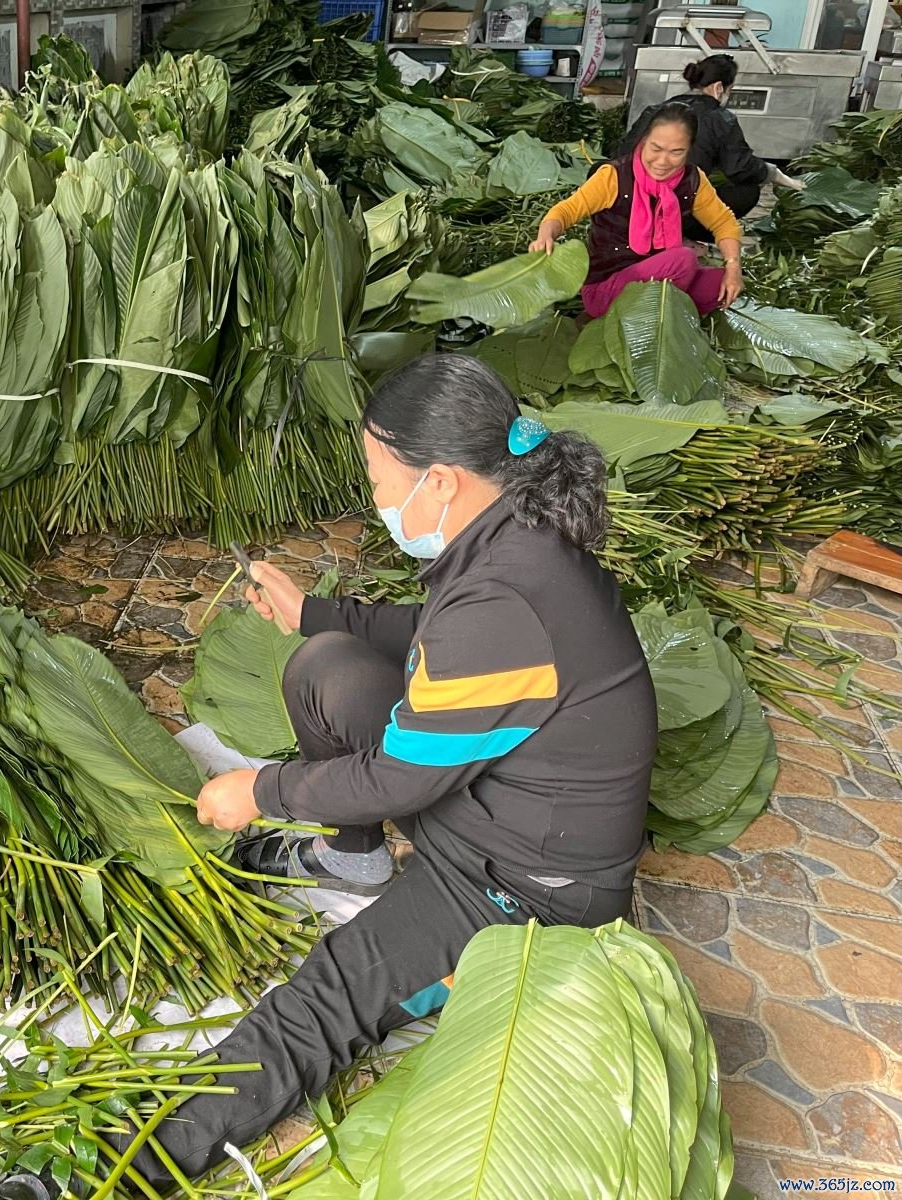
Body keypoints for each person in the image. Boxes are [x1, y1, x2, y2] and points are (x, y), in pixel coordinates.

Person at [113, 354, 659, 1191]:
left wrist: (260, 790)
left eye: (378, 478)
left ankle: (130, 1161)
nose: (376, 498)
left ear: (439, 481)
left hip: (532, 883)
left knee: (330, 990)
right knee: (326, 664)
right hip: (496, 804)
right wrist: (315, 614)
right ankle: (354, 860)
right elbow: (437, 629)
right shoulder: (514, 529)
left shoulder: (508, 599)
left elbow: (400, 778)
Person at [529, 102, 744, 319]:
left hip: (660, 275)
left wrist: (734, 268)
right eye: (656, 148)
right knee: (684, 260)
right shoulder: (613, 177)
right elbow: (565, 211)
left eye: (676, 152)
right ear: (643, 140)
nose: (662, 161)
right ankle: (647, 320)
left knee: (721, 284)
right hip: (607, 287)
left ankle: (660, 312)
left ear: (689, 149)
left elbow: (723, 222)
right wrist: (545, 236)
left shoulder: (693, 180)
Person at [620, 53, 805, 242]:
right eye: (729, 90)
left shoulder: (654, 110)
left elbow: (621, 154)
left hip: (628, 203)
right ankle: (680, 235)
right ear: (718, 87)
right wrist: (774, 174)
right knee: (747, 191)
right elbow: (741, 167)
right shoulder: (719, 118)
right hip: (672, 207)